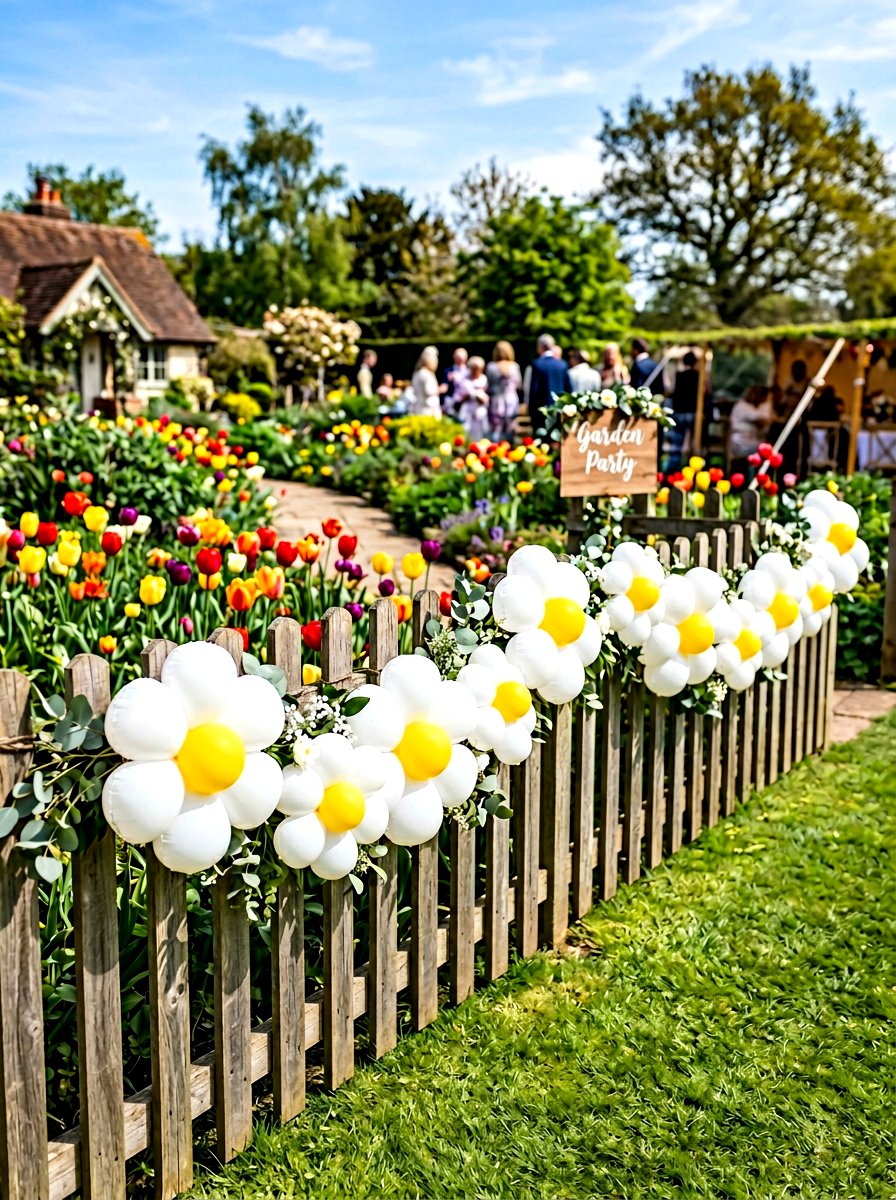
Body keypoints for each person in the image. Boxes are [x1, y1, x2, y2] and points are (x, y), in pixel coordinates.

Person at [664, 350, 701, 472]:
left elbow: (671, 390)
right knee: (693, 444)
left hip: (679, 411)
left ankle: (672, 469)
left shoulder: (679, 375)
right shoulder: (699, 376)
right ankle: (691, 469)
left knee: (677, 445)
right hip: (692, 411)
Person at [528, 334, 571, 430]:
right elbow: (568, 390)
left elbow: (534, 391)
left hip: (541, 412)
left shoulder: (537, 364)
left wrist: (531, 413)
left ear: (540, 346)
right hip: (560, 411)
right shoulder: (562, 364)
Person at [729, 386, 773, 478]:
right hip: (741, 443)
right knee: (766, 453)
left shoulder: (753, 407)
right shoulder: (743, 406)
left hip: (750, 442)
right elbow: (761, 421)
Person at [486, 341, 523, 441]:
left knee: (496, 428)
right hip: (511, 399)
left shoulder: (491, 366)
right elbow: (519, 384)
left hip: (496, 400)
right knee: (510, 428)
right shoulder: (514, 366)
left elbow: (488, 385)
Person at [455, 357, 491, 441]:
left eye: (478, 369)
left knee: (481, 436)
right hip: (467, 413)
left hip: (480, 414)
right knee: (466, 436)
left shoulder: (484, 379)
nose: (476, 371)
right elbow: (459, 397)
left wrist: (481, 398)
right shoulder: (465, 379)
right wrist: (470, 396)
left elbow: (487, 396)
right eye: (474, 369)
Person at [410, 346, 442, 417]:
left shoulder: (417, 373)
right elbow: (429, 391)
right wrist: (440, 389)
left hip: (419, 408)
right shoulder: (426, 374)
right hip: (428, 410)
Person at [442, 347, 469, 415]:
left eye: (461, 358)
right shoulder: (448, 370)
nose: (460, 360)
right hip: (451, 401)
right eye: (458, 357)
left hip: (465, 402)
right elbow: (445, 386)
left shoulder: (469, 371)